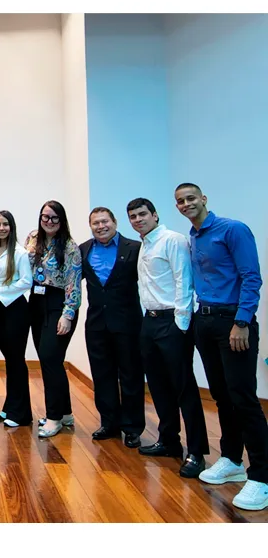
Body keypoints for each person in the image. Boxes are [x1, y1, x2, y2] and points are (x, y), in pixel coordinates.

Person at [175, 183, 268, 509]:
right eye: (180, 201)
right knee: (221, 395)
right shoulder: (193, 237)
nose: (186, 204)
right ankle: (232, 459)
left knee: (243, 397)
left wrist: (242, 322)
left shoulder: (232, 230)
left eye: (191, 198)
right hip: (206, 321)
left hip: (234, 321)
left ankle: (262, 476)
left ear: (203, 199)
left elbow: (251, 277)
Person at [127, 197, 208, 478]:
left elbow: (184, 280)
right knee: (158, 386)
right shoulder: (144, 245)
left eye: (142, 214)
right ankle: (169, 440)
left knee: (184, 387)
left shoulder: (172, 240)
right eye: (133, 216)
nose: (138, 220)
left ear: (155, 215)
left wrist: (181, 324)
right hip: (149, 321)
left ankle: (197, 452)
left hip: (173, 321)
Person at [79, 207, 144, 448]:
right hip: (96, 324)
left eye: (104, 221)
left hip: (128, 323)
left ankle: (132, 428)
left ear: (114, 222)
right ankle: (109, 423)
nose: (100, 226)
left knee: (131, 376)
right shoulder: (83, 250)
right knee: (102, 375)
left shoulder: (134, 248)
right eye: (95, 223)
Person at [24, 200, 82, 438]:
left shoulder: (69, 246)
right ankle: (66, 413)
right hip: (36, 302)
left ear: (62, 220)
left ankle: (54, 418)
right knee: (51, 360)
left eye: (54, 218)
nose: (49, 221)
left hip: (59, 305)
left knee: (50, 358)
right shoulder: (32, 238)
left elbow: (73, 284)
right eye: (45, 217)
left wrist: (68, 314)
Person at [0, 210, 33, 427]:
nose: (1, 228)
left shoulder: (20, 253)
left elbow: (26, 281)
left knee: (16, 360)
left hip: (16, 309)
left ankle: (21, 413)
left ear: (11, 228)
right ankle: (11, 406)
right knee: (9, 359)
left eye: (5, 224)